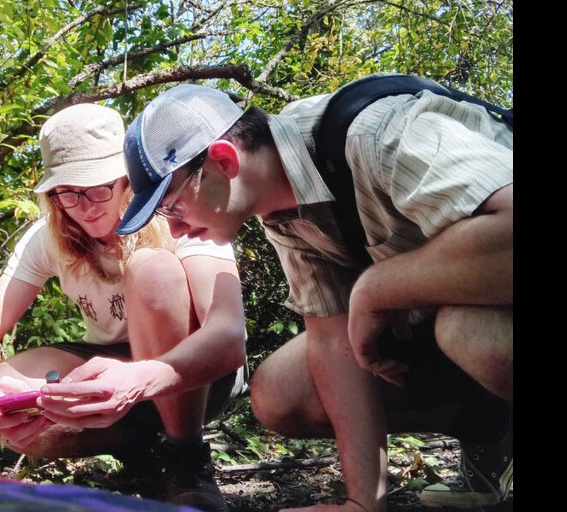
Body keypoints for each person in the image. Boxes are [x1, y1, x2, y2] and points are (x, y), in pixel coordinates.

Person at [115, 80, 512, 512]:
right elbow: (331, 340)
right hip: (438, 319)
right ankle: (492, 431)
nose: (174, 230)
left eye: (171, 207)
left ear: (223, 160)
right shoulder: (281, 211)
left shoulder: (378, 134)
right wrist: (363, 502)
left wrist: (377, 289)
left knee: (473, 333)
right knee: (281, 390)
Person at [0, 103, 248, 512]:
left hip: (195, 377)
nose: (87, 205)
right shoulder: (48, 238)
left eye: (99, 188)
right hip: (110, 368)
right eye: (69, 193)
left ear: (126, 178)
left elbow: (229, 338)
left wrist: (136, 380)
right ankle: (141, 445)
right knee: (11, 382)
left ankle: (185, 454)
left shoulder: (181, 215)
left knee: (152, 268)